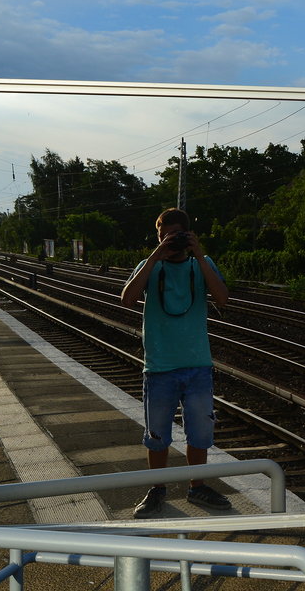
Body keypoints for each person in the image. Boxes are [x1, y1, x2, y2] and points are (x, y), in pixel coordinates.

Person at [121, 207, 231, 518]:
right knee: (157, 435)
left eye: (173, 237)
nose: (167, 242)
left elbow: (223, 298)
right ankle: (157, 489)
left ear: (187, 235)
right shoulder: (150, 265)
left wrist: (199, 255)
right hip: (159, 366)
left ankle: (197, 487)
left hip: (197, 364)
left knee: (200, 432)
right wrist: (154, 257)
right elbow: (127, 300)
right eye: (162, 237)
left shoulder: (202, 264)